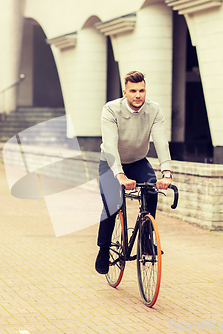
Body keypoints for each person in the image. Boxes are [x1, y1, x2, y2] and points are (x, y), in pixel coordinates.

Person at [95, 70, 172, 274]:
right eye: (133, 91)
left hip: (138, 161)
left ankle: (146, 241)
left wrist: (166, 172)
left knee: (152, 192)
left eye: (142, 90)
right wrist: (120, 175)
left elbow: (161, 142)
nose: (138, 95)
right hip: (111, 164)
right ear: (125, 92)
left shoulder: (154, 110)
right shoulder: (111, 110)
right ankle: (103, 249)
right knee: (112, 205)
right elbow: (110, 146)